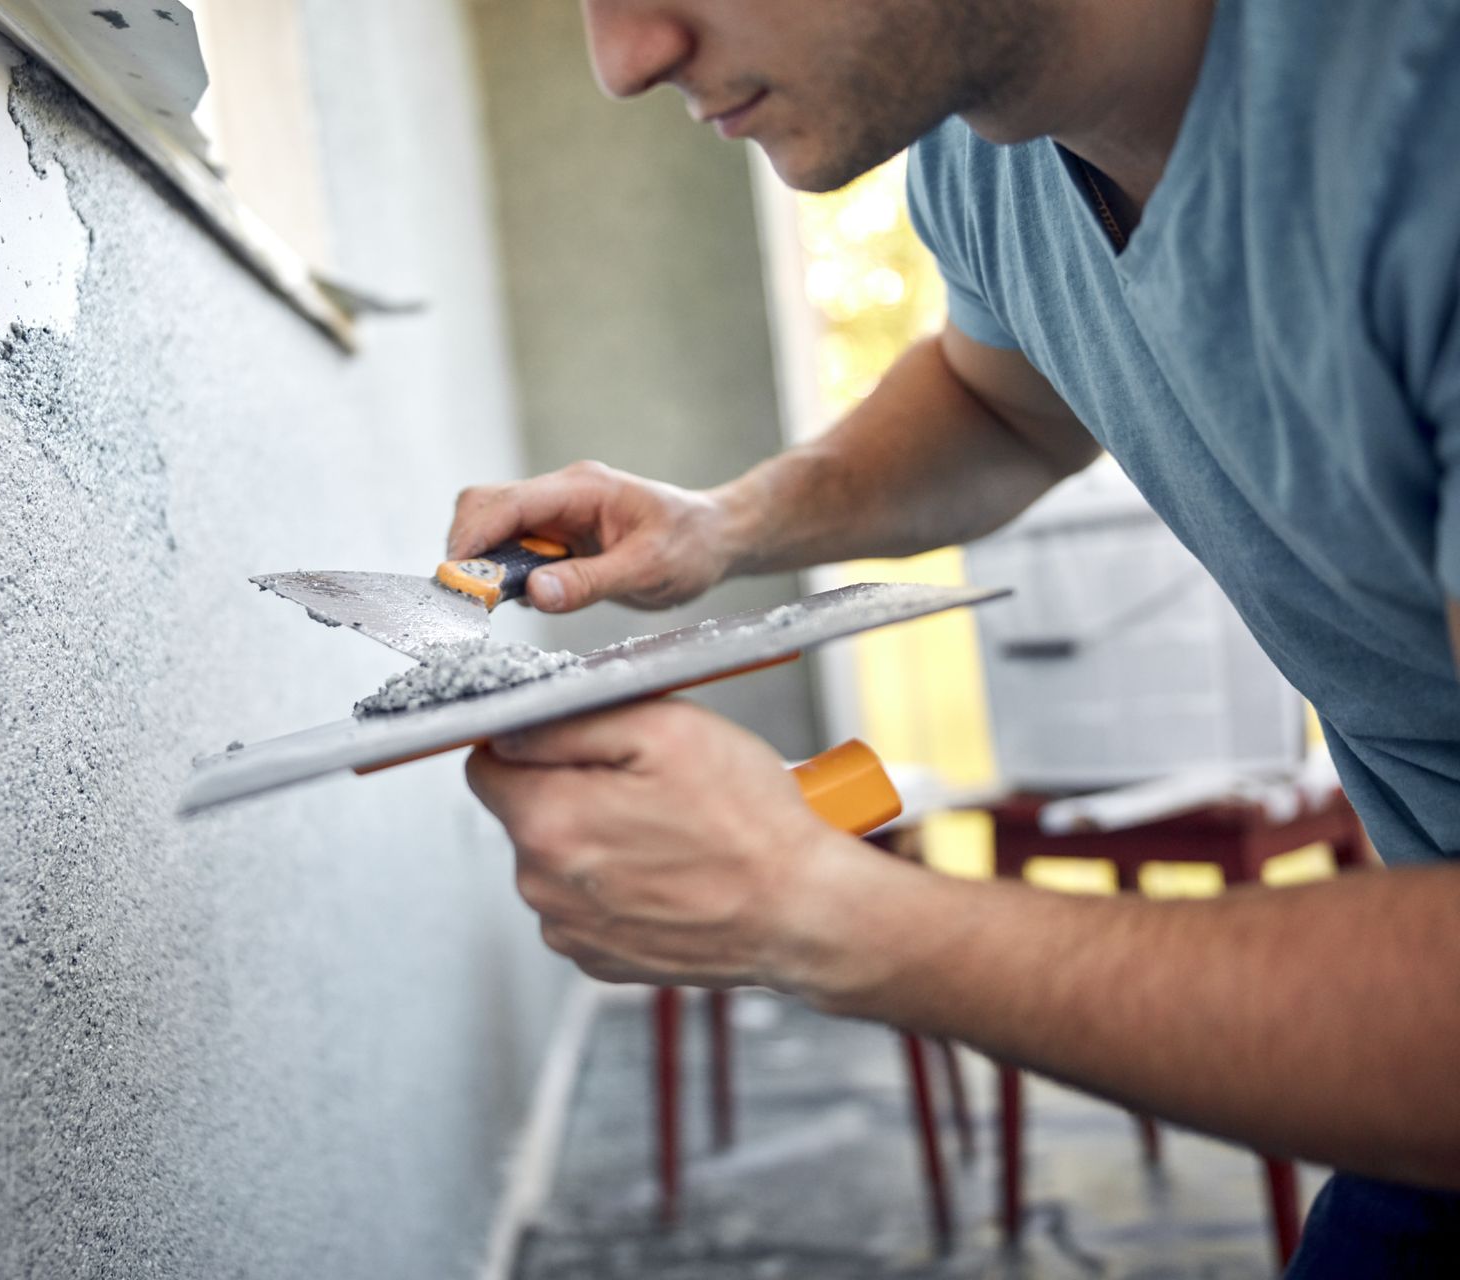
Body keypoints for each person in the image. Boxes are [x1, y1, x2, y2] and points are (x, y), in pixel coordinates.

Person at [452, 0, 1460, 1270]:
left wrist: (821, 910)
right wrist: (720, 525)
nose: (624, 59)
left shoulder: (1425, 115)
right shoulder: (990, 152)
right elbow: (1002, 406)